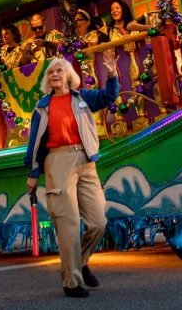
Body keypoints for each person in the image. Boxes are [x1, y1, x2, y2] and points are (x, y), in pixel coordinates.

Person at [25, 52, 120, 298]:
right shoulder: (42, 106)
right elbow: (35, 142)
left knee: (98, 221)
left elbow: (109, 97)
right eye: (51, 72)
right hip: (57, 161)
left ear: (69, 75)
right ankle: (71, 281)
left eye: (59, 70)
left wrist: (111, 75)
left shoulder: (83, 98)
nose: (55, 74)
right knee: (68, 225)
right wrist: (33, 173)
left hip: (86, 161)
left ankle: (82, 261)